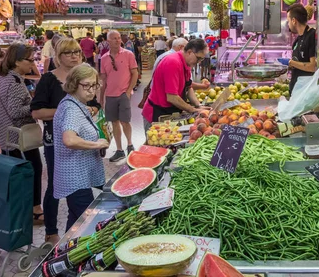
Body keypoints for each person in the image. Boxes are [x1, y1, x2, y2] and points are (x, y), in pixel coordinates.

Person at [31, 38, 101, 244]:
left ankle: (70, 239)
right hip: (56, 142)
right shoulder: (49, 80)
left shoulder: (84, 76)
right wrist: (68, 111)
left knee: (77, 192)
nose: (74, 56)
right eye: (68, 53)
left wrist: (90, 109)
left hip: (80, 144)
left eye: (77, 52)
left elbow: (95, 104)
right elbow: (36, 111)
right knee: (56, 185)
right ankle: (51, 231)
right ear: (58, 57)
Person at [0, 43, 45, 224]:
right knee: (33, 170)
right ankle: (35, 210)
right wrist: (35, 104)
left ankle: (24, 209)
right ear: (16, 61)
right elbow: (15, 111)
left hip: (8, 136)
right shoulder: (14, 82)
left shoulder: (4, 77)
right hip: (19, 137)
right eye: (29, 60)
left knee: (21, 173)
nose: (32, 64)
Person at [53, 64, 108, 231]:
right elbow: (69, 139)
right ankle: (71, 255)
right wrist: (96, 144)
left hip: (82, 175)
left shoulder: (78, 104)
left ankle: (61, 252)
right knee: (89, 224)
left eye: (95, 85)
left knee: (76, 222)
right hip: (76, 178)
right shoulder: (71, 108)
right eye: (86, 85)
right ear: (74, 84)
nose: (92, 90)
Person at [142, 39, 208, 130]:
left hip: (170, 113)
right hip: (157, 114)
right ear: (189, 52)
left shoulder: (186, 64)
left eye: (202, 59)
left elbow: (188, 87)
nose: (199, 62)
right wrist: (192, 109)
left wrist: (198, 105)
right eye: (199, 58)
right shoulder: (173, 62)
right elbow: (172, 97)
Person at [100, 30, 139, 162]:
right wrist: (101, 98)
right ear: (107, 41)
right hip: (110, 95)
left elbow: (135, 73)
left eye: (118, 38)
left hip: (123, 94)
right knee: (114, 122)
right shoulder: (104, 58)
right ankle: (119, 150)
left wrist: (128, 91)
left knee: (125, 121)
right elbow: (104, 80)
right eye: (114, 38)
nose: (117, 40)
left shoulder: (128, 55)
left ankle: (130, 145)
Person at [286, 4, 317, 94]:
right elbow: (300, 61)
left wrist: (290, 62)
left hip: (305, 92)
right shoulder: (298, 39)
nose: (288, 24)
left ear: (294, 21)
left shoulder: (311, 35)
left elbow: (312, 67)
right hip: (297, 91)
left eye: (288, 21)